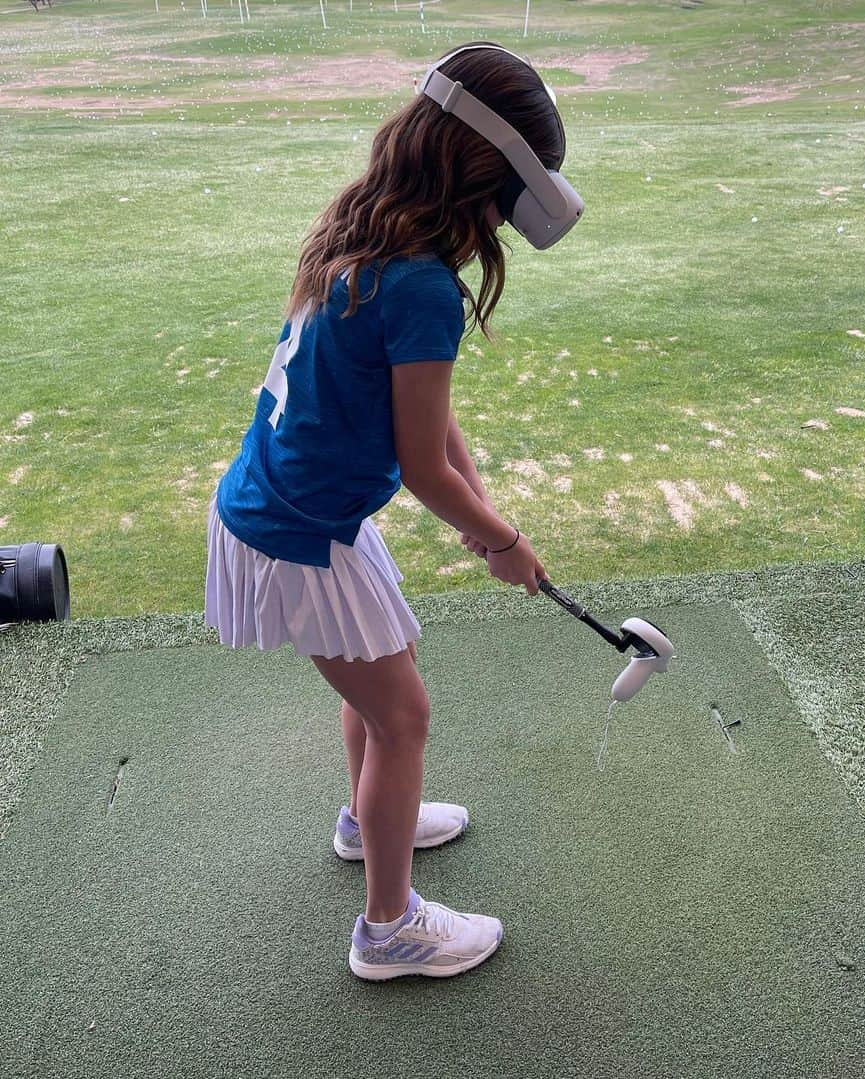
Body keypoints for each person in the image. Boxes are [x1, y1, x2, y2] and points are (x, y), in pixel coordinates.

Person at [204, 41, 576, 981]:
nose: (496, 225)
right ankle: (389, 926)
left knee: (380, 686)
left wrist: (483, 512)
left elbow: (434, 428)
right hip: (301, 531)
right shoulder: (418, 285)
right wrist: (505, 540)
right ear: (481, 181)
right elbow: (419, 464)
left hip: (295, 508)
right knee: (403, 713)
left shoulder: (361, 226)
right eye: (502, 205)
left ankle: (368, 825)